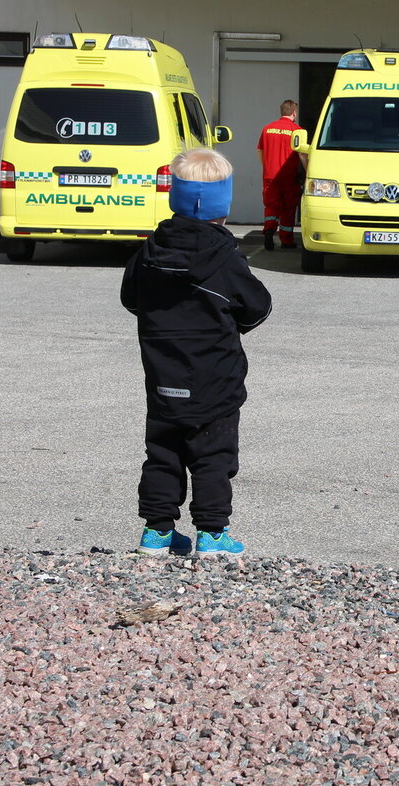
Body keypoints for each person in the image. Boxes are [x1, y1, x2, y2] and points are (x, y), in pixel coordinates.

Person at [121, 148, 273, 559]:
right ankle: (212, 532)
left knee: (163, 450)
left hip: (162, 374)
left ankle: (156, 531)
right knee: (213, 453)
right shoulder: (224, 258)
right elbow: (256, 307)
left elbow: (131, 299)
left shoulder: (150, 253)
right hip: (215, 379)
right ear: (222, 205)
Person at [257, 99, 307, 251]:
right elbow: (302, 155)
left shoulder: (267, 129)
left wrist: (267, 167)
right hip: (289, 176)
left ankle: (269, 229)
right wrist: (308, 172)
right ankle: (286, 240)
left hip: (270, 175)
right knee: (288, 208)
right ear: (294, 112)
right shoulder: (298, 131)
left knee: (271, 205)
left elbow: (260, 151)